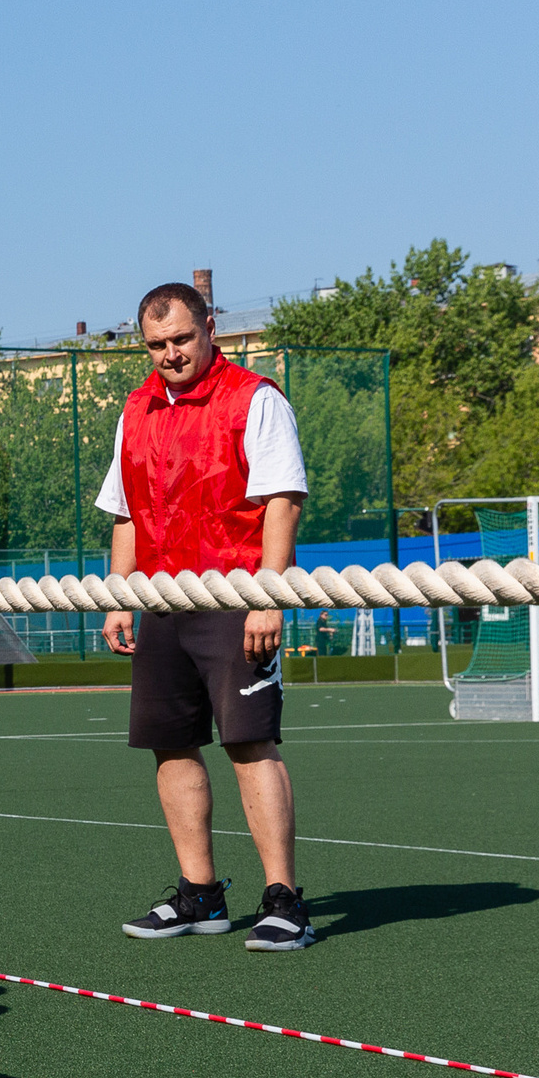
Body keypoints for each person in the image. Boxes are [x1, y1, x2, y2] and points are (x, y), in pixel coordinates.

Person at [96, 281, 313, 951]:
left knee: (249, 742)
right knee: (172, 744)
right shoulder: (135, 410)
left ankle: (284, 901)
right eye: (158, 344)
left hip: (236, 598)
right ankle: (200, 896)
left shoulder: (256, 399)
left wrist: (268, 596)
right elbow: (128, 510)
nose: (172, 353)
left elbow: (283, 499)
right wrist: (119, 593)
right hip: (162, 601)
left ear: (210, 328)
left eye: (183, 338)